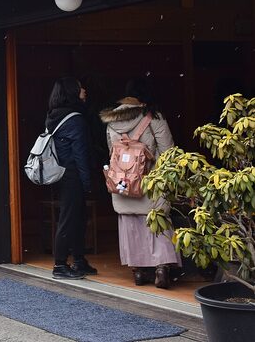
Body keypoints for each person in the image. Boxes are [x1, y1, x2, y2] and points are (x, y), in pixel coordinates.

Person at [100, 78, 181, 288]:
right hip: (150, 181)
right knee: (157, 223)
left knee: (131, 225)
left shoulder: (112, 121)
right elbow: (168, 152)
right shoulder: (154, 117)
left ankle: (137, 270)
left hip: (123, 181)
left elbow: (112, 152)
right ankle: (161, 267)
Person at [46, 76, 96, 280]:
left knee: (76, 216)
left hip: (59, 172)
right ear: (72, 92)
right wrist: (87, 182)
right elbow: (80, 153)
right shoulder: (75, 119)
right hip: (72, 174)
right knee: (69, 219)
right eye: (80, 87)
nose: (84, 90)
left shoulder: (54, 115)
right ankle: (60, 264)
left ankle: (79, 259)